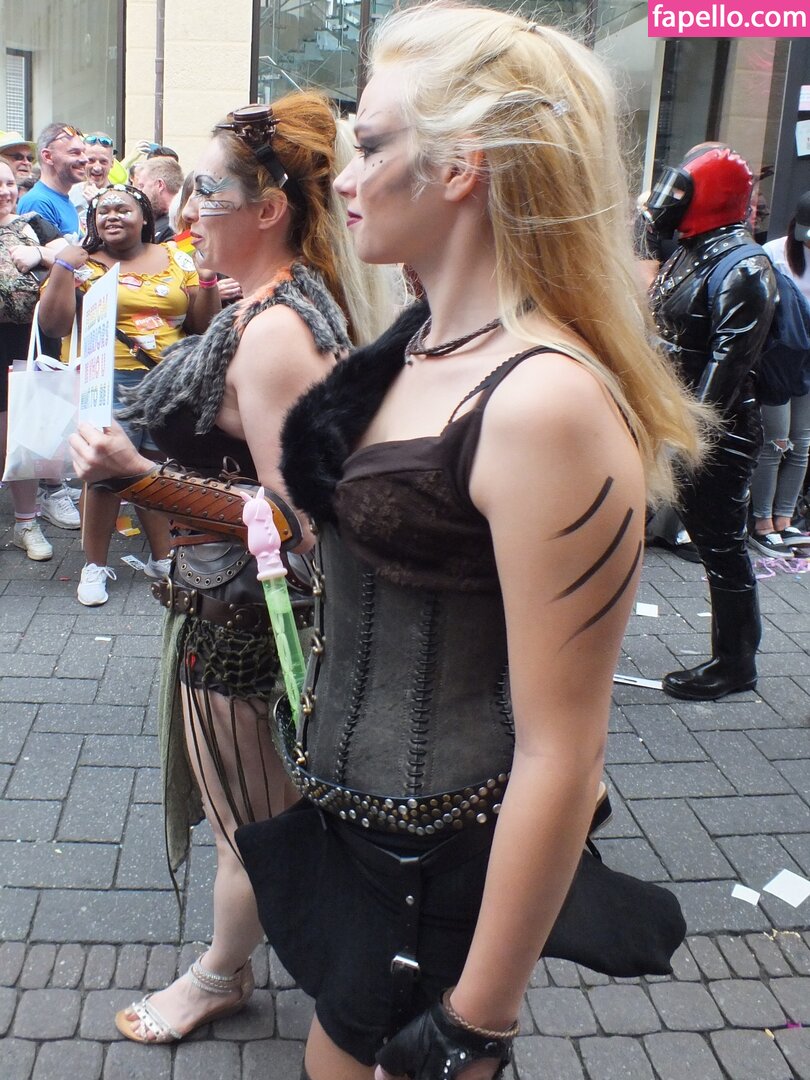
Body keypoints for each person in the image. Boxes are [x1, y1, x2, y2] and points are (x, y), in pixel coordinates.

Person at [229, 8, 705, 1079]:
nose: (346, 179)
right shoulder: (418, 343)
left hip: (441, 867)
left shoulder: (543, 402)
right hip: (350, 830)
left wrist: (473, 1024)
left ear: (462, 167)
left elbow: (564, 750)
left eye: (372, 144)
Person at [68, 93, 396, 1046]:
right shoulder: (256, 303)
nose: (183, 210)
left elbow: (300, 521)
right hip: (218, 604)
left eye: (205, 190)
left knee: (249, 822)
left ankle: (222, 975)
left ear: (270, 208)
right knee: (249, 814)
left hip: (245, 623)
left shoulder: (279, 329)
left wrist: (140, 478)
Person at [39, 183, 220, 605]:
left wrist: (208, 280)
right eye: (102, 211)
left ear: (143, 216)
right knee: (103, 476)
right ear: (92, 221)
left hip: (167, 382)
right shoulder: (83, 263)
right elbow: (53, 326)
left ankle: (163, 559)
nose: (112, 216)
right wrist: (62, 268)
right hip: (105, 382)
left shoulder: (176, 258)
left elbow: (201, 325)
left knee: (156, 469)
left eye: (122, 208)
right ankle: (94, 567)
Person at [645, 144, 777, 701]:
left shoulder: (743, 267)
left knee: (721, 546)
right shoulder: (691, 252)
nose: (665, 201)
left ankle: (736, 663)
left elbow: (726, 369)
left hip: (715, 432)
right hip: (674, 419)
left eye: (679, 191)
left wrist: (683, 442)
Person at [17, 122, 89, 529]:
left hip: (63, 319)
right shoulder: (37, 201)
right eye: (74, 152)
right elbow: (64, 261)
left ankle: (53, 482)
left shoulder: (65, 198)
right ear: (48, 157)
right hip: (42, 321)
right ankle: (49, 491)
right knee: (44, 401)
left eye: (83, 152)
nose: (83, 159)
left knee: (57, 399)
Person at [749, 191, 810, 556]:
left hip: (807, 362)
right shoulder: (774, 253)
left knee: (802, 443)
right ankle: (761, 523)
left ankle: (785, 520)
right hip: (776, 360)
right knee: (776, 441)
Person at [0, 160, 54, 560]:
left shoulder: (33, 224)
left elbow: (77, 257)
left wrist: (39, 253)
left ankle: (26, 522)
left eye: (9, 184)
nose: (5, 192)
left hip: (25, 342)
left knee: (21, 435)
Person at [70, 133, 116, 232]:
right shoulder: (69, 193)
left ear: (112, 163)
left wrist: (98, 203)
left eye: (103, 161)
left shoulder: (121, 196)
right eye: (91, 160)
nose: (97, 168)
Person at [133, 156, 185, 242]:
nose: (139, 192)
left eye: (142, 186)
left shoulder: (181, 224)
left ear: (160, 185)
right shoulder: (156, 221)